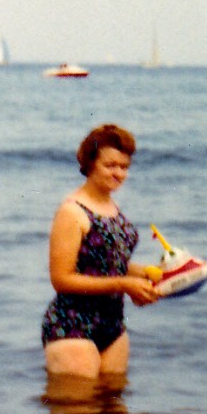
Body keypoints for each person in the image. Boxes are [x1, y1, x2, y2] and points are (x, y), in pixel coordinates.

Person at [41, 123, 159, 379]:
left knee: (114, 404)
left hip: (113, 326)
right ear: (90, 163)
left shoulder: (111, 205)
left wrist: (150, 273)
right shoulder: (72, 211)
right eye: (110, 165)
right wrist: (124, 284)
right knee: (79, 405)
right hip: (72, 326)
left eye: (124, 167)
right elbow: (61, 279)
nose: (119, 173)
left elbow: (106, 263)